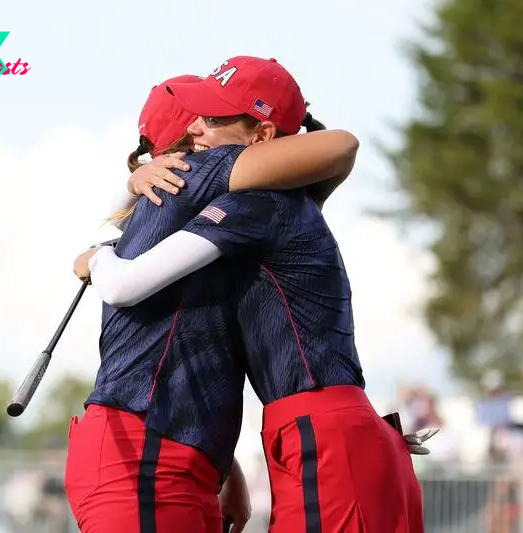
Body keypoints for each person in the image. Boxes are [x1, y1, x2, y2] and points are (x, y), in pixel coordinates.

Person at [76, 56, 427, 533]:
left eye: (214, 118)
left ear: (262, 137)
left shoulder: (241, 196)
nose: (197, 130)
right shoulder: (272, 199)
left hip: (325, 438)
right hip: (335, 435)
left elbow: (121, 284)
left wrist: (96, 254)